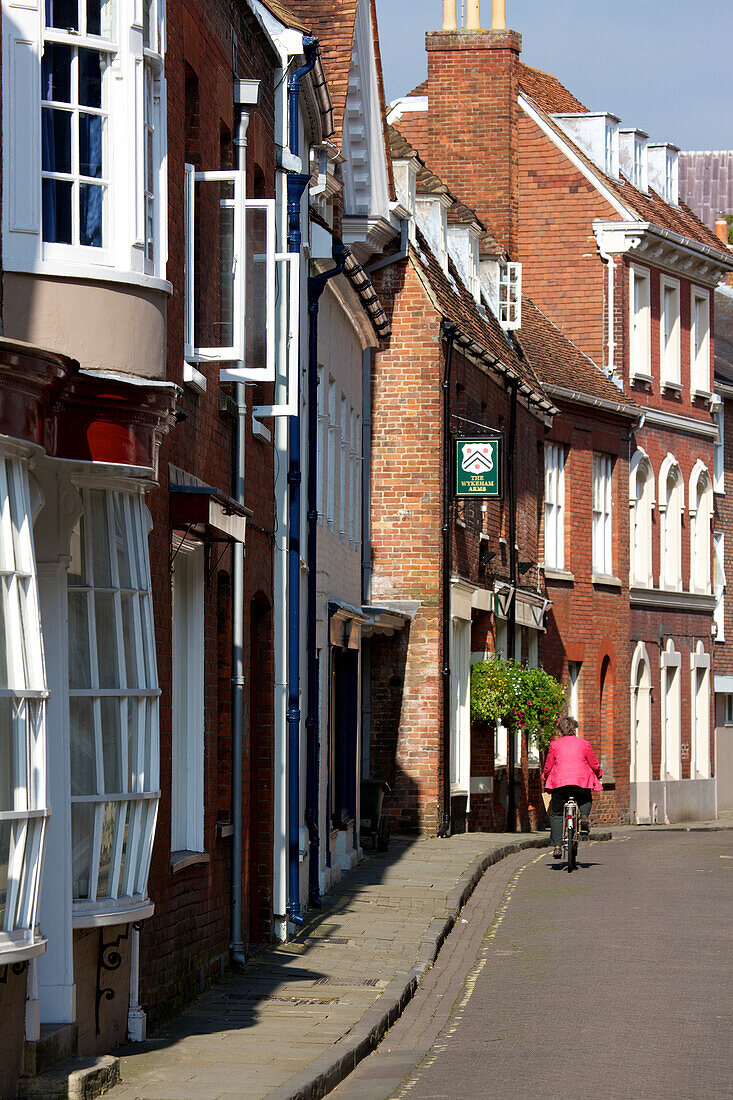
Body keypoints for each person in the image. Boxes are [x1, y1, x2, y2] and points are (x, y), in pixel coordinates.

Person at [542, 715, 603, 859]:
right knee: (585, 798)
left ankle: (557, 847)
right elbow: (594, 764)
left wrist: (545, 776)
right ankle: (584, 816)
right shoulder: (584, 743)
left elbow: (548, 766)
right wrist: (598, 773)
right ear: (574, 728)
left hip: (560, 783)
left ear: (560, 730)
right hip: (580, 781)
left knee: (556, 814)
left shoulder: (554, 745)